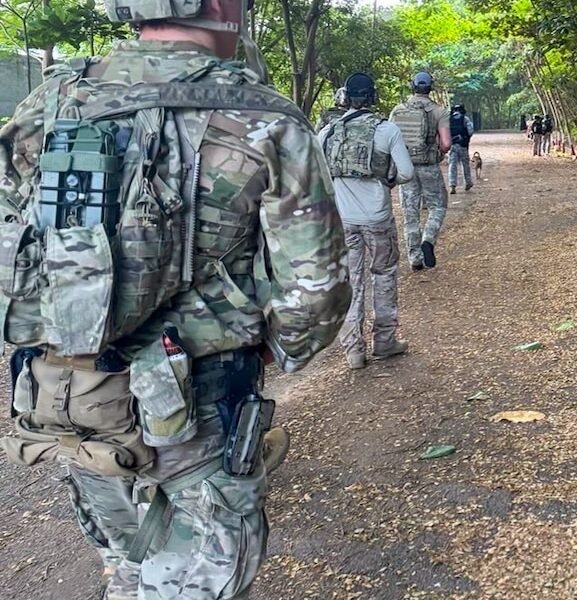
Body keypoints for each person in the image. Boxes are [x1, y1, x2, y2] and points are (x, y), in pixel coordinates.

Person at [0, 0, 351, 595]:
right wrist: (277, 350)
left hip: (72, 396)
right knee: (194, 578)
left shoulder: (51, 101)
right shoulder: (262, 117)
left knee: (129, 564)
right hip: (199, 401)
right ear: (216, 5)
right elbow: (314, 288)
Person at [318, 72, 414, 370]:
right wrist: (387, 180)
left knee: (352, 281)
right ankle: (384, 341)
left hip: (343, 220)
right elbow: (407, 173)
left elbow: (316, 174)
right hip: (378, 218)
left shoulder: (327, 132)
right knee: (383, 275)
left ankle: (354, 351)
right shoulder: (386, 130)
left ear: (345, 98)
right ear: (372, 98)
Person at [389, 71, 451, 270]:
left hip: (405, 168)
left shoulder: (397, 110)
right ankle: (428, 240)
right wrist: (438, 151)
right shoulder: (438, 111)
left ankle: (414, 257)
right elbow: (446, 144)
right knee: (438, 206)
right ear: (430, 87)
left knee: (410, 212)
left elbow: (390, 140)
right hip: (429, 166)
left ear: (412, 86)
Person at [448, 103, 474, 194]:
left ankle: (452, 185)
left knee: (452, 165)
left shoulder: (449, 119)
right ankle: (468, 182)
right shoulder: (465, 119)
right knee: (465, 164)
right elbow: (470, 131)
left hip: (452, 146)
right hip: (463, 145)